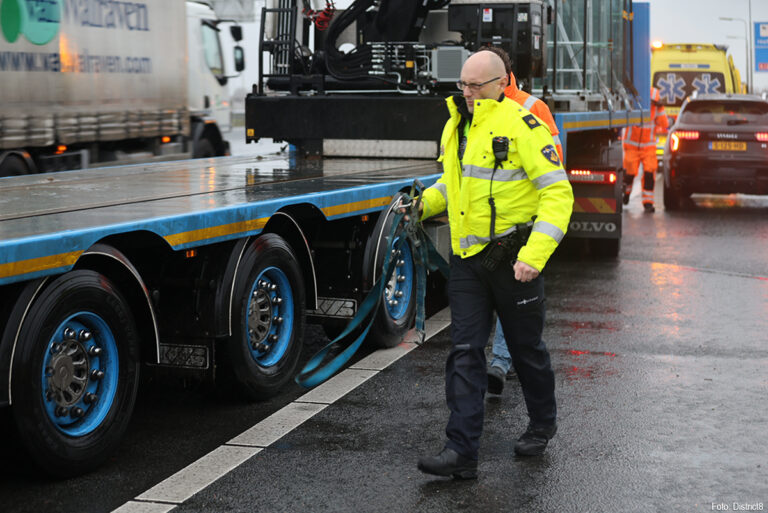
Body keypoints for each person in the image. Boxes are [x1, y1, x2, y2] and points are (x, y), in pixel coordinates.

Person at [413, 51, 574, 479]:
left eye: (476, 86)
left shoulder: (524, 125)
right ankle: (461, 453)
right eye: (462, 85)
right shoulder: (456, 126)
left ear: (501, 83)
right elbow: (452, 184)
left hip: (514, 260)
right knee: (466, 352)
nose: (467, 93)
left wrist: (533, 257)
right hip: (468, 261)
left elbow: (558, 195)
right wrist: (421, 205)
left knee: (526, 351)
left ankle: (542, 424)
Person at [477, 46, 564, 396]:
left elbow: (553, 168)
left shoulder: (531, 108)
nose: (469, 89)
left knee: (508, 293)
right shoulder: (479, 108)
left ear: (502, 77)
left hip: (520, 223)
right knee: (498, 294)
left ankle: (499, 362)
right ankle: (496, 363)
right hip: (487, 222)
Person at [622, 86, 669, 212]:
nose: (650, 104)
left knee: (649, 174)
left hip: (648, 148)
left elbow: (665, 124)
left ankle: (648, 202)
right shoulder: (633, 105)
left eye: (653, 102)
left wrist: (661, 107)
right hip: (631, 147)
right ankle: (625, 194)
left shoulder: (656, 109)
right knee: (629, 174)